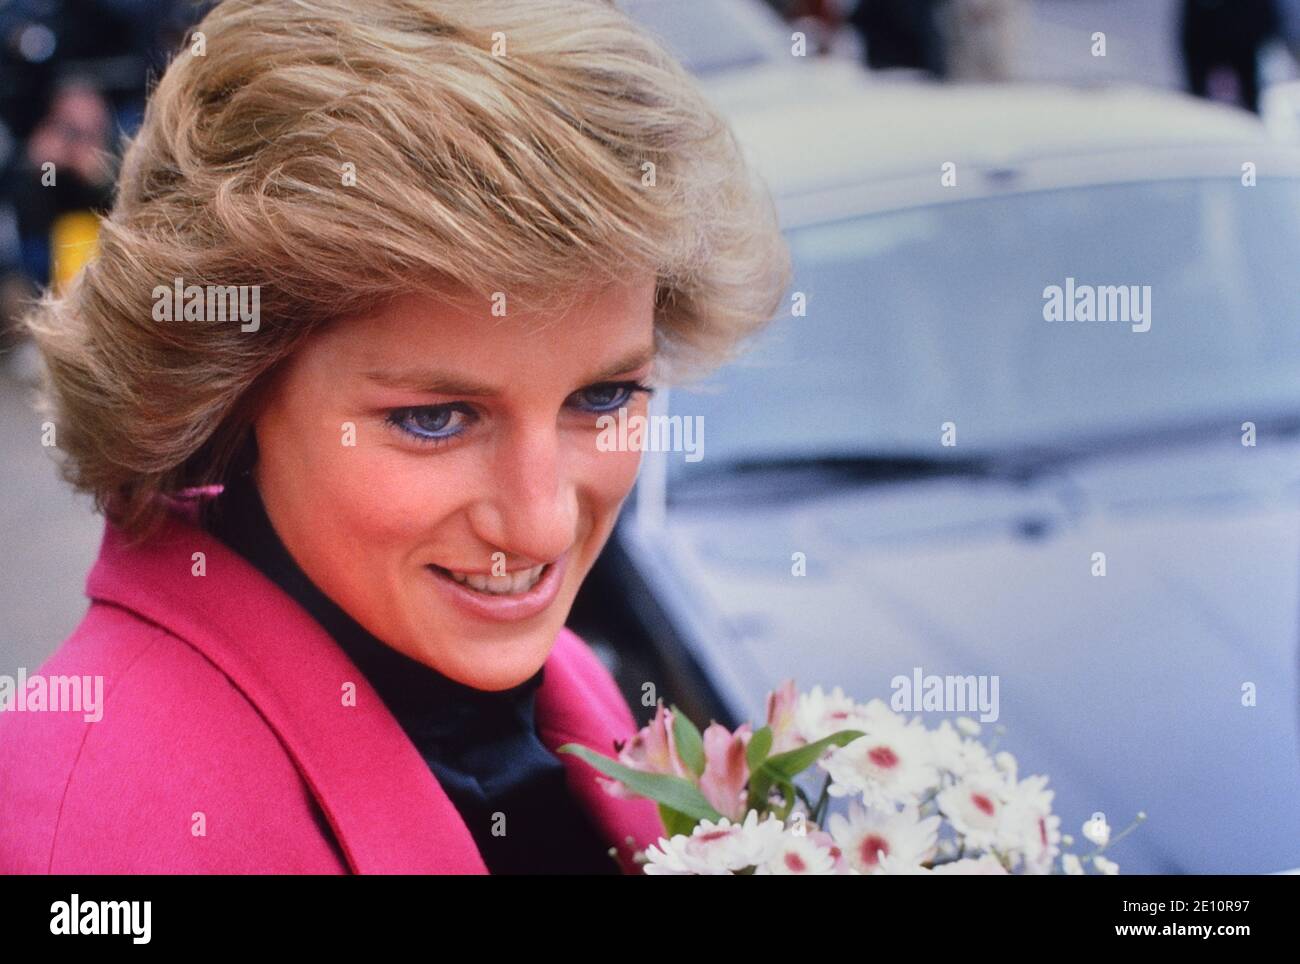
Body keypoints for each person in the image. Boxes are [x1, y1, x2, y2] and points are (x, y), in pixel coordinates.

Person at [0, 0, 790, 874]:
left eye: (601, 397)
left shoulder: (563, 679)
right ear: (224, 394)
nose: (540, 528)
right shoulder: (87, 842)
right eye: (434, 419)